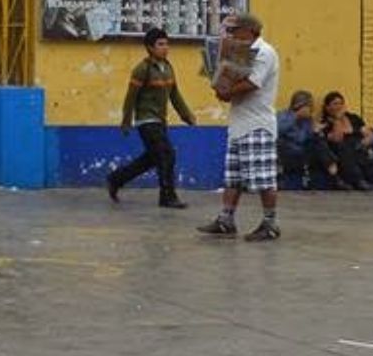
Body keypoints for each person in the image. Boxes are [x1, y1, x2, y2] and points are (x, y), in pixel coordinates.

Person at [197, 13, 282, 242]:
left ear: (249, 31)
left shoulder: (264, 52)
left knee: (264, 177)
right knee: (232, 177)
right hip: (239, 123)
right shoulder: (240, 54)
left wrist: (226, 90)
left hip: (257, 124)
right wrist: (221, 83)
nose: (232, 35)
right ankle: (226, 219)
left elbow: (254, 83)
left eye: (236, 31)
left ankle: (270, 223)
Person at [107, 26, 195, 209]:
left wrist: (187, 115)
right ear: (150, 47)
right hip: (146, 121)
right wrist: (126, 121)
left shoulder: (168, 68)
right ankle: (167, 196)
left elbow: (175, 95)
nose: (165, 48)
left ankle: (116, 179)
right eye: (160, 44)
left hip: (160, 121)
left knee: (152, 158)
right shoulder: (142, 69)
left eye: (166, 44)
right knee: (167, 154)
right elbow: (130, 97)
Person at [319, 91, 373, 191]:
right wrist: (337, 120)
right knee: (345, 149)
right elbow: (337, 139)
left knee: (370, 163)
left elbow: (369, 134)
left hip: (360, 150)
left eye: (341, 103)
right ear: (327, 107)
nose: (339, 106)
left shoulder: (353, 118)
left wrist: (365, 142)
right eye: (335, 104)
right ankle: (359, 181)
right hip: (344, 158)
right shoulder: (325, 124)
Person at [277, 90, 340, 190]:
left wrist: (315, 131)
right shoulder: (283, 115)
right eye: (309, 106)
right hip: (287, 150)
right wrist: (296, 116)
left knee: (318, 140)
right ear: (300, 106)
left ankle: (330, 164)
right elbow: (278, 130)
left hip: (302, 151)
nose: (311, 109)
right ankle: (331, 166)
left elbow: (305, 139)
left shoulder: (307, 121)